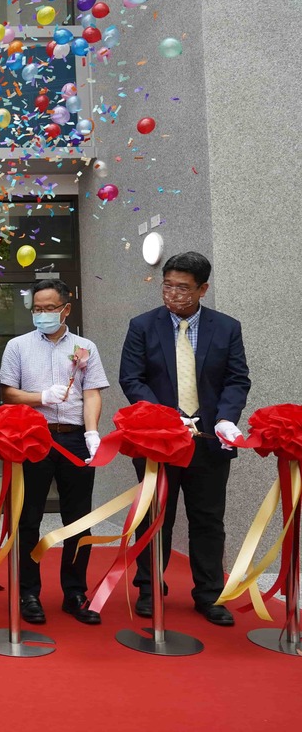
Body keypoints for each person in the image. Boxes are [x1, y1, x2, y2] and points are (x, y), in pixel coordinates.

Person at [119, 251, 250, 626]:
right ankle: (148, 588)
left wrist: (226, 419)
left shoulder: (226, 328)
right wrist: (166, 418)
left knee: (208, 520)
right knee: (154, 517)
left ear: (202, 289)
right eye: (168, 285)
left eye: (183, 288)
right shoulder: (142, 326)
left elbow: (237, 379)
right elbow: (132, 378)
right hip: (158, 441)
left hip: (209, 441)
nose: (173, 293)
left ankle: (210, 595)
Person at [0, 279, 109, 626]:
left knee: (78, 518)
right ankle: (28, 592)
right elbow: (7, 393)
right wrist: (40, 398)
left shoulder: (84, 346)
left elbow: (92, 392)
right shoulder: (17, 346)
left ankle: (75, 591)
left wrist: (92, 431)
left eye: (50, 308)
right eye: (37, 309)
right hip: (33, 437)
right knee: (27, 517)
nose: (43, 314)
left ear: (66, 308)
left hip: (75, 437)